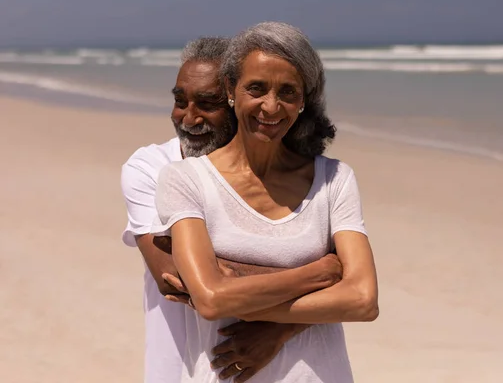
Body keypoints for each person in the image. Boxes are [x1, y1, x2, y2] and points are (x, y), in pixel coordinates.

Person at [153, 22, 379, 382]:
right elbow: (211, 299)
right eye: (256, 88)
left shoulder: (335, 179)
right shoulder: (186, 179)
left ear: (304, 100)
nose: (271, 106)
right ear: (231, 89)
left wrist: (266, 317)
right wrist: (319, 274)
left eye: (288, 92)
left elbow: (363, 300)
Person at [120, 37, 318, 383]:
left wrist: (279, 331)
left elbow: (355, 288)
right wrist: (315, 275)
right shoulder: (151, 167)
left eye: (207, 103)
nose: (188, 117)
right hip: (180, 368)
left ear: (236, 101)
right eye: (180, 101)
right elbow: (177, 280)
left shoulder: (290, 175)